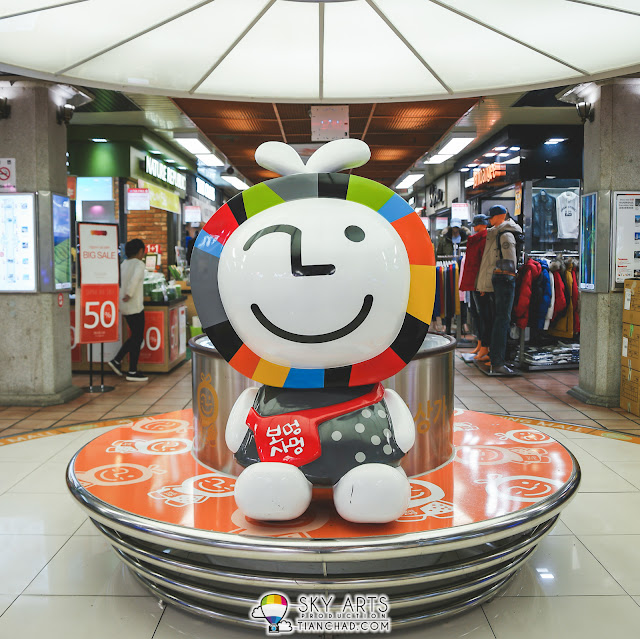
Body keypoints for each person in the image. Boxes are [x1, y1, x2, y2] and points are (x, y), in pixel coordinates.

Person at [476, 206, 522, 376]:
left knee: (498, 319)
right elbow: (510, 261)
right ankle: (498, 362)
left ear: (502, 216)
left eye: (492, 217)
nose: (490, 221)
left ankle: (497, 360)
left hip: (497, 279)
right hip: (504, 279)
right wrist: (512, 277)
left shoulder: (498, 233)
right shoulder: (505, 234)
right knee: (502, 319)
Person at [108, 239, 149, 382]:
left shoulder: (123, 264)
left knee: (135, 337)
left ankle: (124, 365)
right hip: (135, 305)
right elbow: (134, 280)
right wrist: (129, 294)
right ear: (139, 251)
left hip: (124, 306)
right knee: (137, 338)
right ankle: (128, 367)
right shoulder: (139, 264)